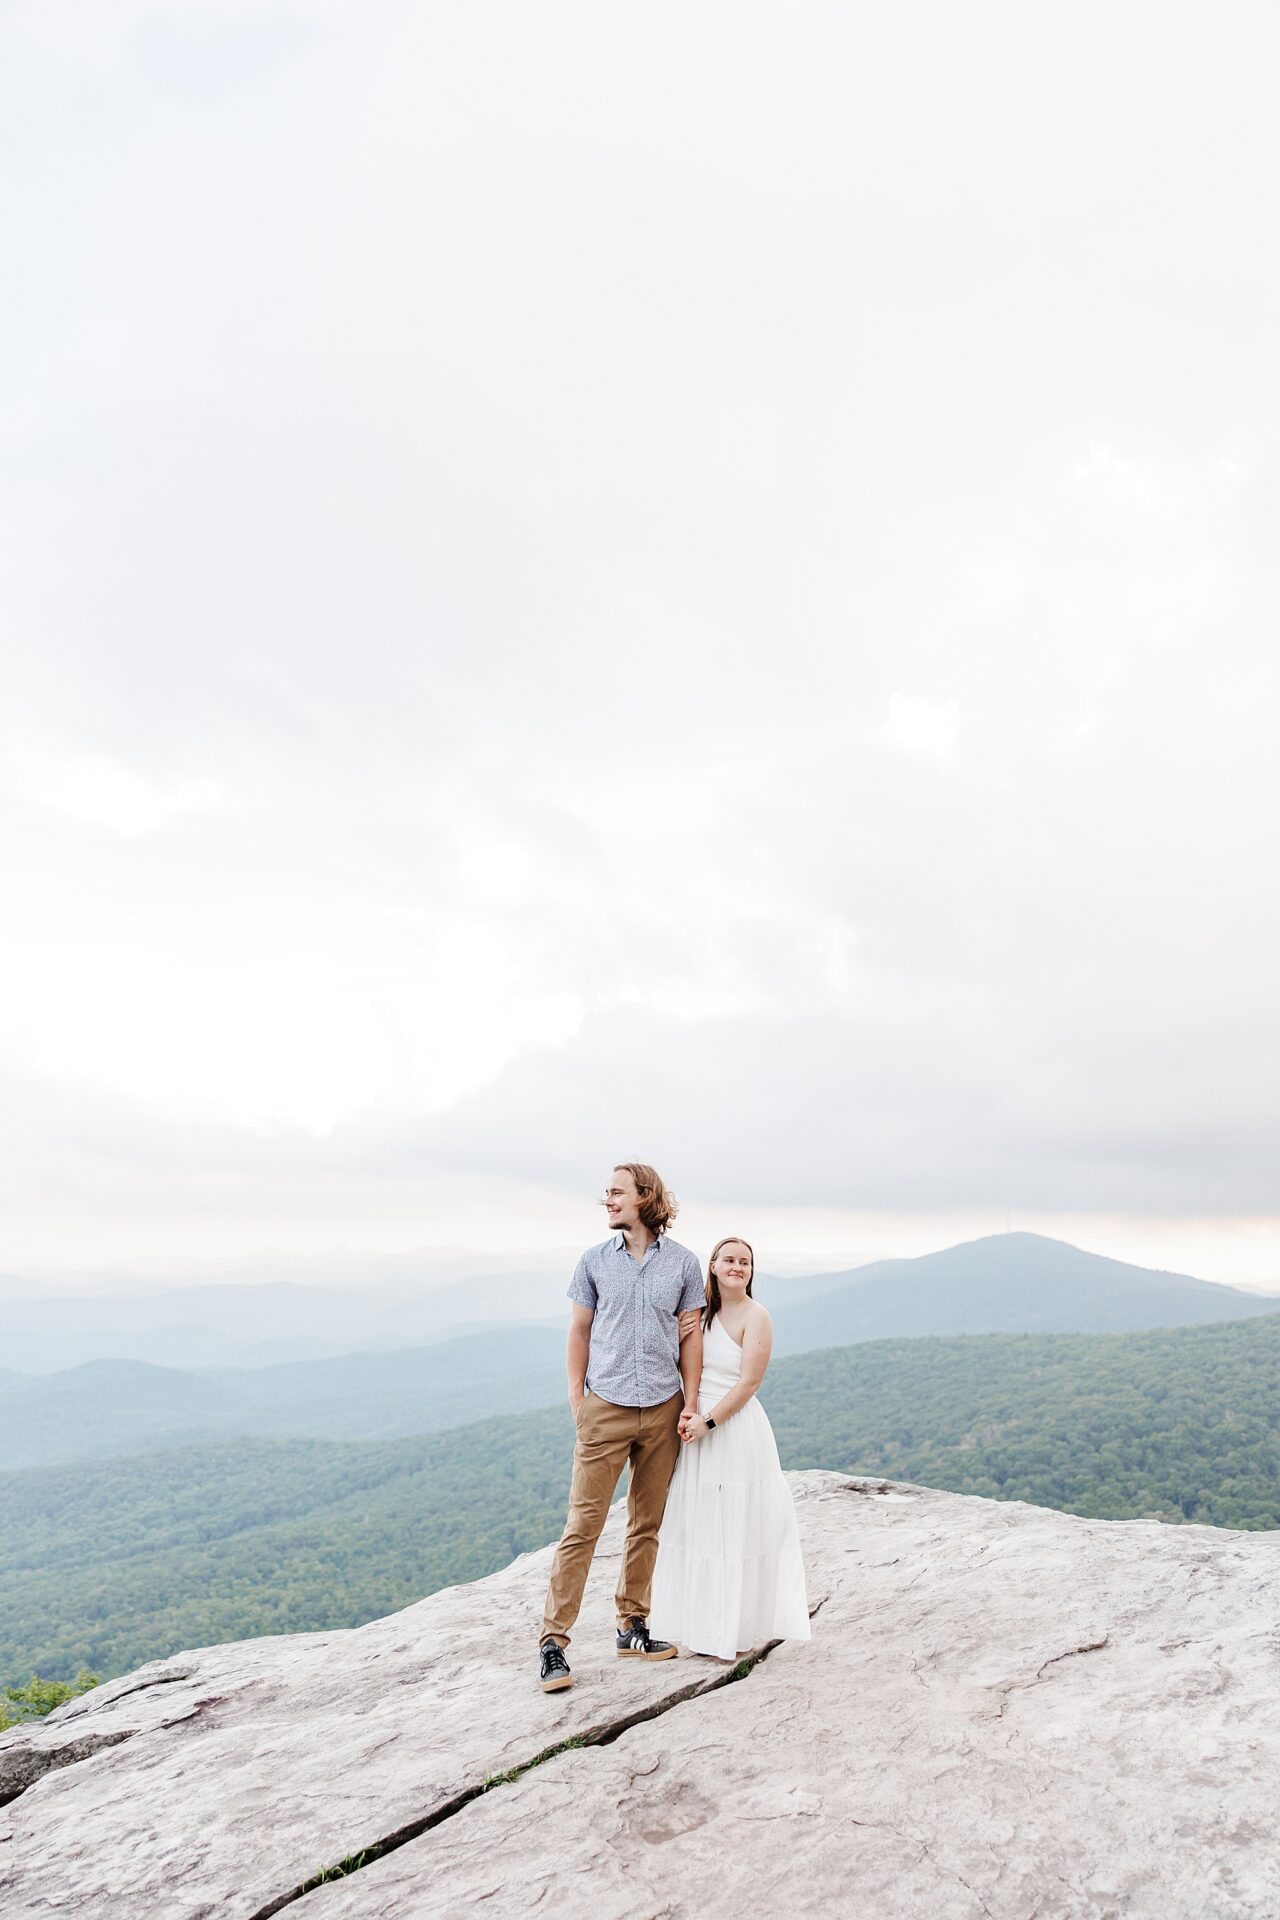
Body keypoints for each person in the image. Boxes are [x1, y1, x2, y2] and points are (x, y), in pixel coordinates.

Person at [538, 1162, 706, 1693]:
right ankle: (552, 1643)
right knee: (582, 1528)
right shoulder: (593, 1262)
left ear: (645, 1198)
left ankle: (631, 1625)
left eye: (616, 1192)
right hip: (605, 1405)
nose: (607, 1200)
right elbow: (579, 1331)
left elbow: (691, 1340)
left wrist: (691, 1402)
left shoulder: (682, 1263)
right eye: (607, 1192)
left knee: (646, 1523)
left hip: (663, 1406)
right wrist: (575, 1395)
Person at [648, 1235, 811, 1660]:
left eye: (745, 1262)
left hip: (733, 1427)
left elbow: (749, 1383)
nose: (737, 1266)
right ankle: (700, 1627)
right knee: (699, 1525)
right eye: (729, 1260)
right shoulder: (699, 1314)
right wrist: (688, 1410)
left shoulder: (757, 1316)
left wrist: (709, 1420)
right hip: (695, 1424)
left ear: (750, 1272)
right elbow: (682, 1362)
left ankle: (733, 1629)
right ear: (714, 1266)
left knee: (734, 1527)